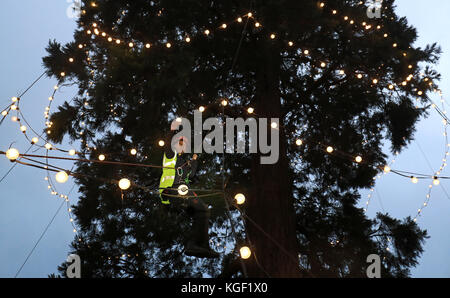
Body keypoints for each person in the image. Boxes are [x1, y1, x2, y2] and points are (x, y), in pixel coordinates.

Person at [159, 121, 219, 258]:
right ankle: (194, 244)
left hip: (183, 192)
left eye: (184, 144)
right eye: (180, 142)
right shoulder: (170, 155)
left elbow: (191, 176)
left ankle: (201, 246)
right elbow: (168, 144)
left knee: (204, 210)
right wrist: (172, 130)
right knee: (200, 208)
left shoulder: (185, 162)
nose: (183, 145)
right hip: (171, 190)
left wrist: (194, 161)